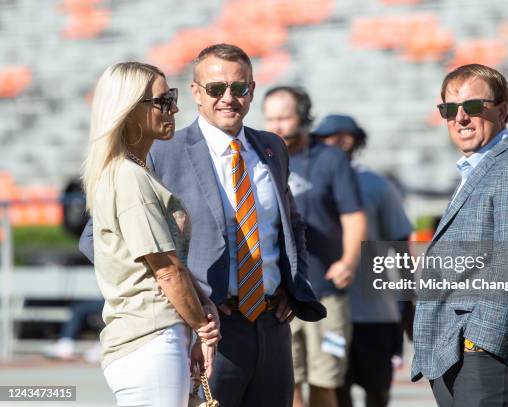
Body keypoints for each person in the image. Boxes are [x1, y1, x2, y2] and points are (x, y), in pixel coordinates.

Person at [83, 44, 326, 407]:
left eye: (239, 88)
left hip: (271, 324)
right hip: (208, 330)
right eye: (216, 89)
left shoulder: (272, 148)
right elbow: (97, 238)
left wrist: (295, 283)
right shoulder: (160, 150)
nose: (228, 98)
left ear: (252, 91)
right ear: (196, 92)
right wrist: (184, 288)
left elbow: (293, 225)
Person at [411, 64, 508, 407]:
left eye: (474, 106)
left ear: (503, 109)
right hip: (457, 356)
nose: (461, 117)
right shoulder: (478, 170)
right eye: (449, 109)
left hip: (492, 357)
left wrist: (480, 342)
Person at [80, 62, 220, 406]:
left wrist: (202, 305)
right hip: (150, 337)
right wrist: (204, 329)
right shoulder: (129, 177)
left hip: (152, 337)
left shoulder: (133, 171)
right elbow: (167, 271)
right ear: (128, 112)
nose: (173, 108)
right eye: (162, 101)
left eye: (171, 98)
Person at [263, 88, 367, 407]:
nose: (276, 126)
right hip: (280, 294)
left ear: (305, 117)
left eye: (284, 118)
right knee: (287, 382)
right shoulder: (261, 155)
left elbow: (353, 217)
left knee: (326, 380)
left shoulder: (331, 159)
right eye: (270, 119)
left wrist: (349, 260)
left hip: (326, 291)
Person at [313, 114, 412, 407]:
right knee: (334, 387)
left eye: (343, 137)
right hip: (329, 312)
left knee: (377, 391)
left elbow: (401, 247)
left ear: (352, 140)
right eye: (327, 138)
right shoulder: (312, 184)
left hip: (376, 313)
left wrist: (407, 300)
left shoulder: (376, 185)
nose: (336, 143)